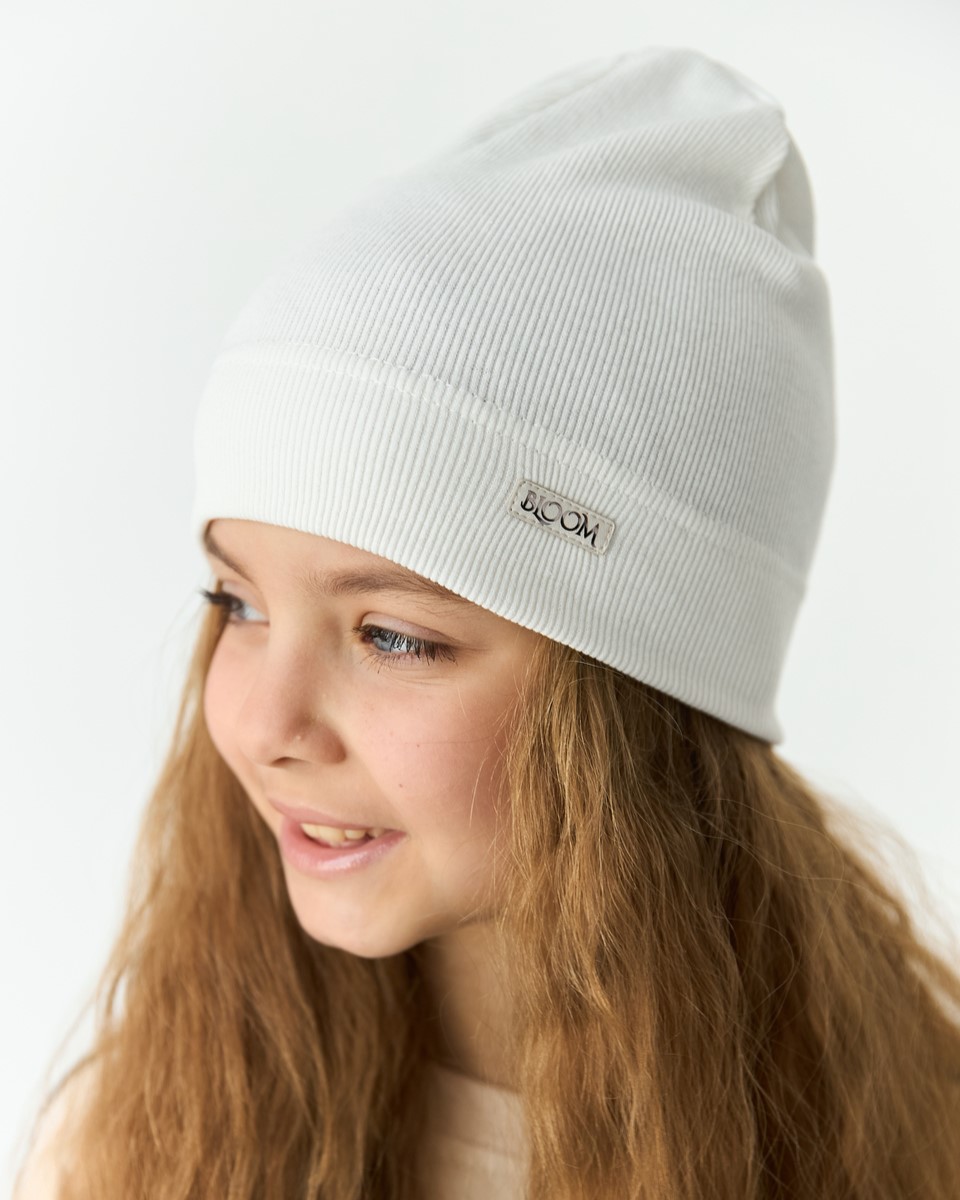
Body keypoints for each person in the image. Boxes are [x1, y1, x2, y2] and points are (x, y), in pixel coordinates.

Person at [14, 45, 960, 1200]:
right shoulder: (141, 1142)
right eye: (239, 603)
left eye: (392, 637)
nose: (262, 723)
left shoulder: (917, 1143)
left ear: (637, 695)